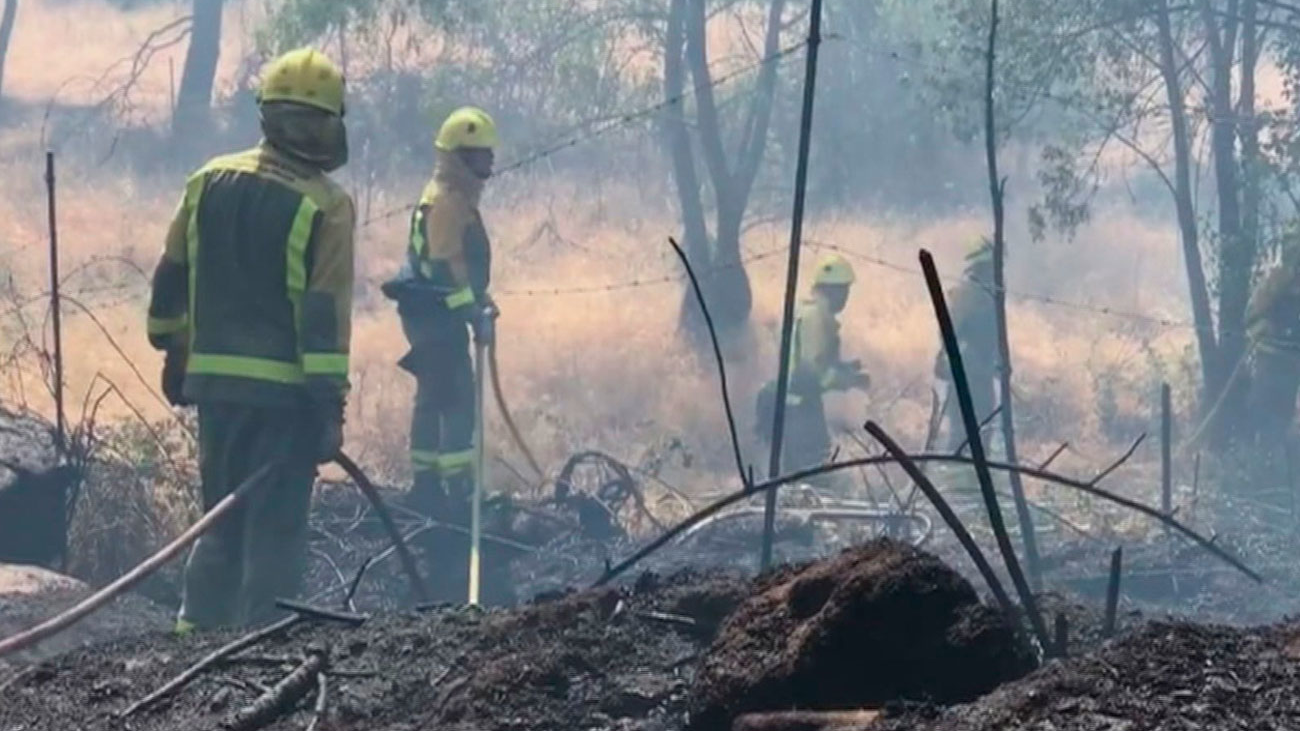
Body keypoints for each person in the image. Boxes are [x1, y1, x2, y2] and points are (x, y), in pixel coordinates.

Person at [147, 48, 354, 632]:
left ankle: (194, 635)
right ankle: (264, 648)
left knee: (219, 519)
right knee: (276, 530)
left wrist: (173, 348)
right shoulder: (327, 207)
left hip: (214, 389)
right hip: (284, 401)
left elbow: (170, 276)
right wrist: (327, 408)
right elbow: (322, 319)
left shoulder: (208, 179)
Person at [382, 107, 500, 603]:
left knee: (433, 396)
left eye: (488, 156)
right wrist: (471, 309)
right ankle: (455, 494)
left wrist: (477, 302)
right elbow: (448, 266)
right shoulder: (448, 202)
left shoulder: (452, 197)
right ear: (456, 158)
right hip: (436, 314)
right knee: (453, 398)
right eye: (477, 156)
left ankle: (429, 485)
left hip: (433, 312)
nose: (486, 165)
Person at [756, 254, 870, 482]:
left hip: (785, 404)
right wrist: (849, 381)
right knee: (815, 475)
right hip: (800, 409)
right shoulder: (817, 318)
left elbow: (803, 359)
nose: (846, 297)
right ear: (834, 290)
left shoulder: (803, 310)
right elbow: (810, 372)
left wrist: (845, 368)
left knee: (790, 478)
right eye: (844, 290)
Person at [935, 239, 999, 452]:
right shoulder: (968, 292)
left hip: (982, 376)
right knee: (961, 437)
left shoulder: (991, 292)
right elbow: (950, 335)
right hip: (967, 377)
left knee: (984, 433)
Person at [1243, 246, 1300, 480]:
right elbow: (1252, 317)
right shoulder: (1276, 282)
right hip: (1275, 361)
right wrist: (1266, 333)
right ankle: (1267, 473)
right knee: (1271, 419)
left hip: (1291, 360)